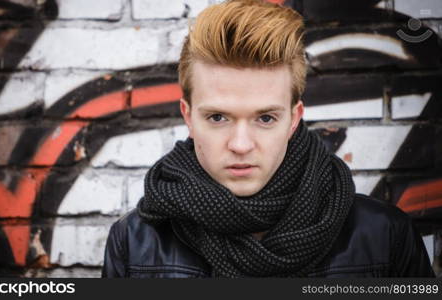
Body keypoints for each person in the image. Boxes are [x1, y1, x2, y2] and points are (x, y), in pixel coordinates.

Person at [102, 0, 434, 278]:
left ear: (294, 119)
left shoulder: (384, 236)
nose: (241, 144)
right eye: (218, 117)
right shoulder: (135, 242)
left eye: (265, 118)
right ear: (188, 117)